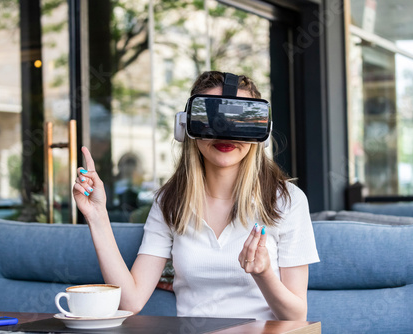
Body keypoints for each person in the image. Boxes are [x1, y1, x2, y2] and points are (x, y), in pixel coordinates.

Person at [72, 71, 319, 321]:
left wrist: (264, 274)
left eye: (239, 122)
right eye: (213, 119)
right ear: (185, 127)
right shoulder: (169, 201)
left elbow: (297, 317)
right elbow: (130, 301)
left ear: (262, 132)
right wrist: (97, 215)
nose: (225, 134)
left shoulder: (287, 201)